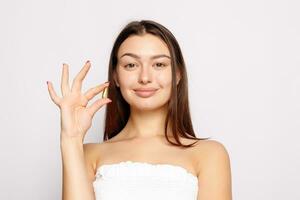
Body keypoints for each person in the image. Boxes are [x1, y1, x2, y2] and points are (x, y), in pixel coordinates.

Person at [47, 20, 232, 200]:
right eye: (131, 65)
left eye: (159, 64)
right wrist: (70, 139)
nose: (144, 77)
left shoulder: (210, 154)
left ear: (177, 75)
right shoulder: (88, 155)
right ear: (116, 76)